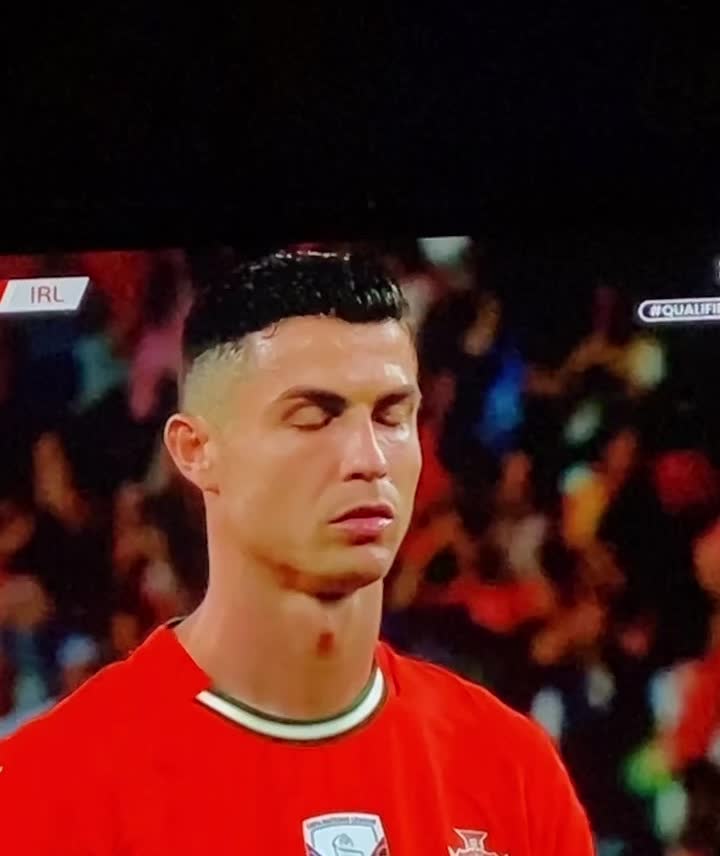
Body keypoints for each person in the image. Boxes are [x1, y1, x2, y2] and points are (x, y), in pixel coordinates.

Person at [0, 250, 593, 855]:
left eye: (392, 416)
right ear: (196, 451)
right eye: (313, 417)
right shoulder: (49, 789)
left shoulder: (512, 769)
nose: (368, 459)